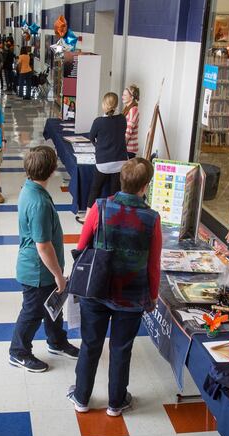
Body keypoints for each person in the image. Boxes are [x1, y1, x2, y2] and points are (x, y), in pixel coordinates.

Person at [66, 158, 162, 417]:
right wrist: (151, 297)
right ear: (145, 187)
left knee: (90, 344)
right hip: (131, 295)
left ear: (121, 180)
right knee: (121, 348)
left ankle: (81, 397)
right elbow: (154, 264)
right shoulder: (152, 218)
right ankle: (116, 402)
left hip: (97, 289)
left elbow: (82, 245)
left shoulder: (100, 207)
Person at [9, 146, 80, 373]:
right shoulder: (38, 202)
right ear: (51, 171)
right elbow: (43, 245)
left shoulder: (30, 188)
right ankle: (18, 352)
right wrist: (58, 274)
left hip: (43, 269)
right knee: (32, 312)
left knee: (53, 307)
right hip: (38, 271)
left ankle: (57, 341)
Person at [76, 93, 127, 224]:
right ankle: (113, 217)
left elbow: (91, 137)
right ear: (116, 105)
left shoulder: (98, 122)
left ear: (104, 105)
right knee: (115, 190)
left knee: (95, 189)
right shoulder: (122, 119)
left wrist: (99, 145)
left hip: (104, 162)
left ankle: (87, 217)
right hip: (121, 161)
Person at [122, 85, 140, 158]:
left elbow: (128, 131)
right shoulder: (127, 109)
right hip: (126, 148)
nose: (122, 97)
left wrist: (121, 147)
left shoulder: (133, 109)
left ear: (132, 97)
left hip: (129, 149)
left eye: (125, 95)